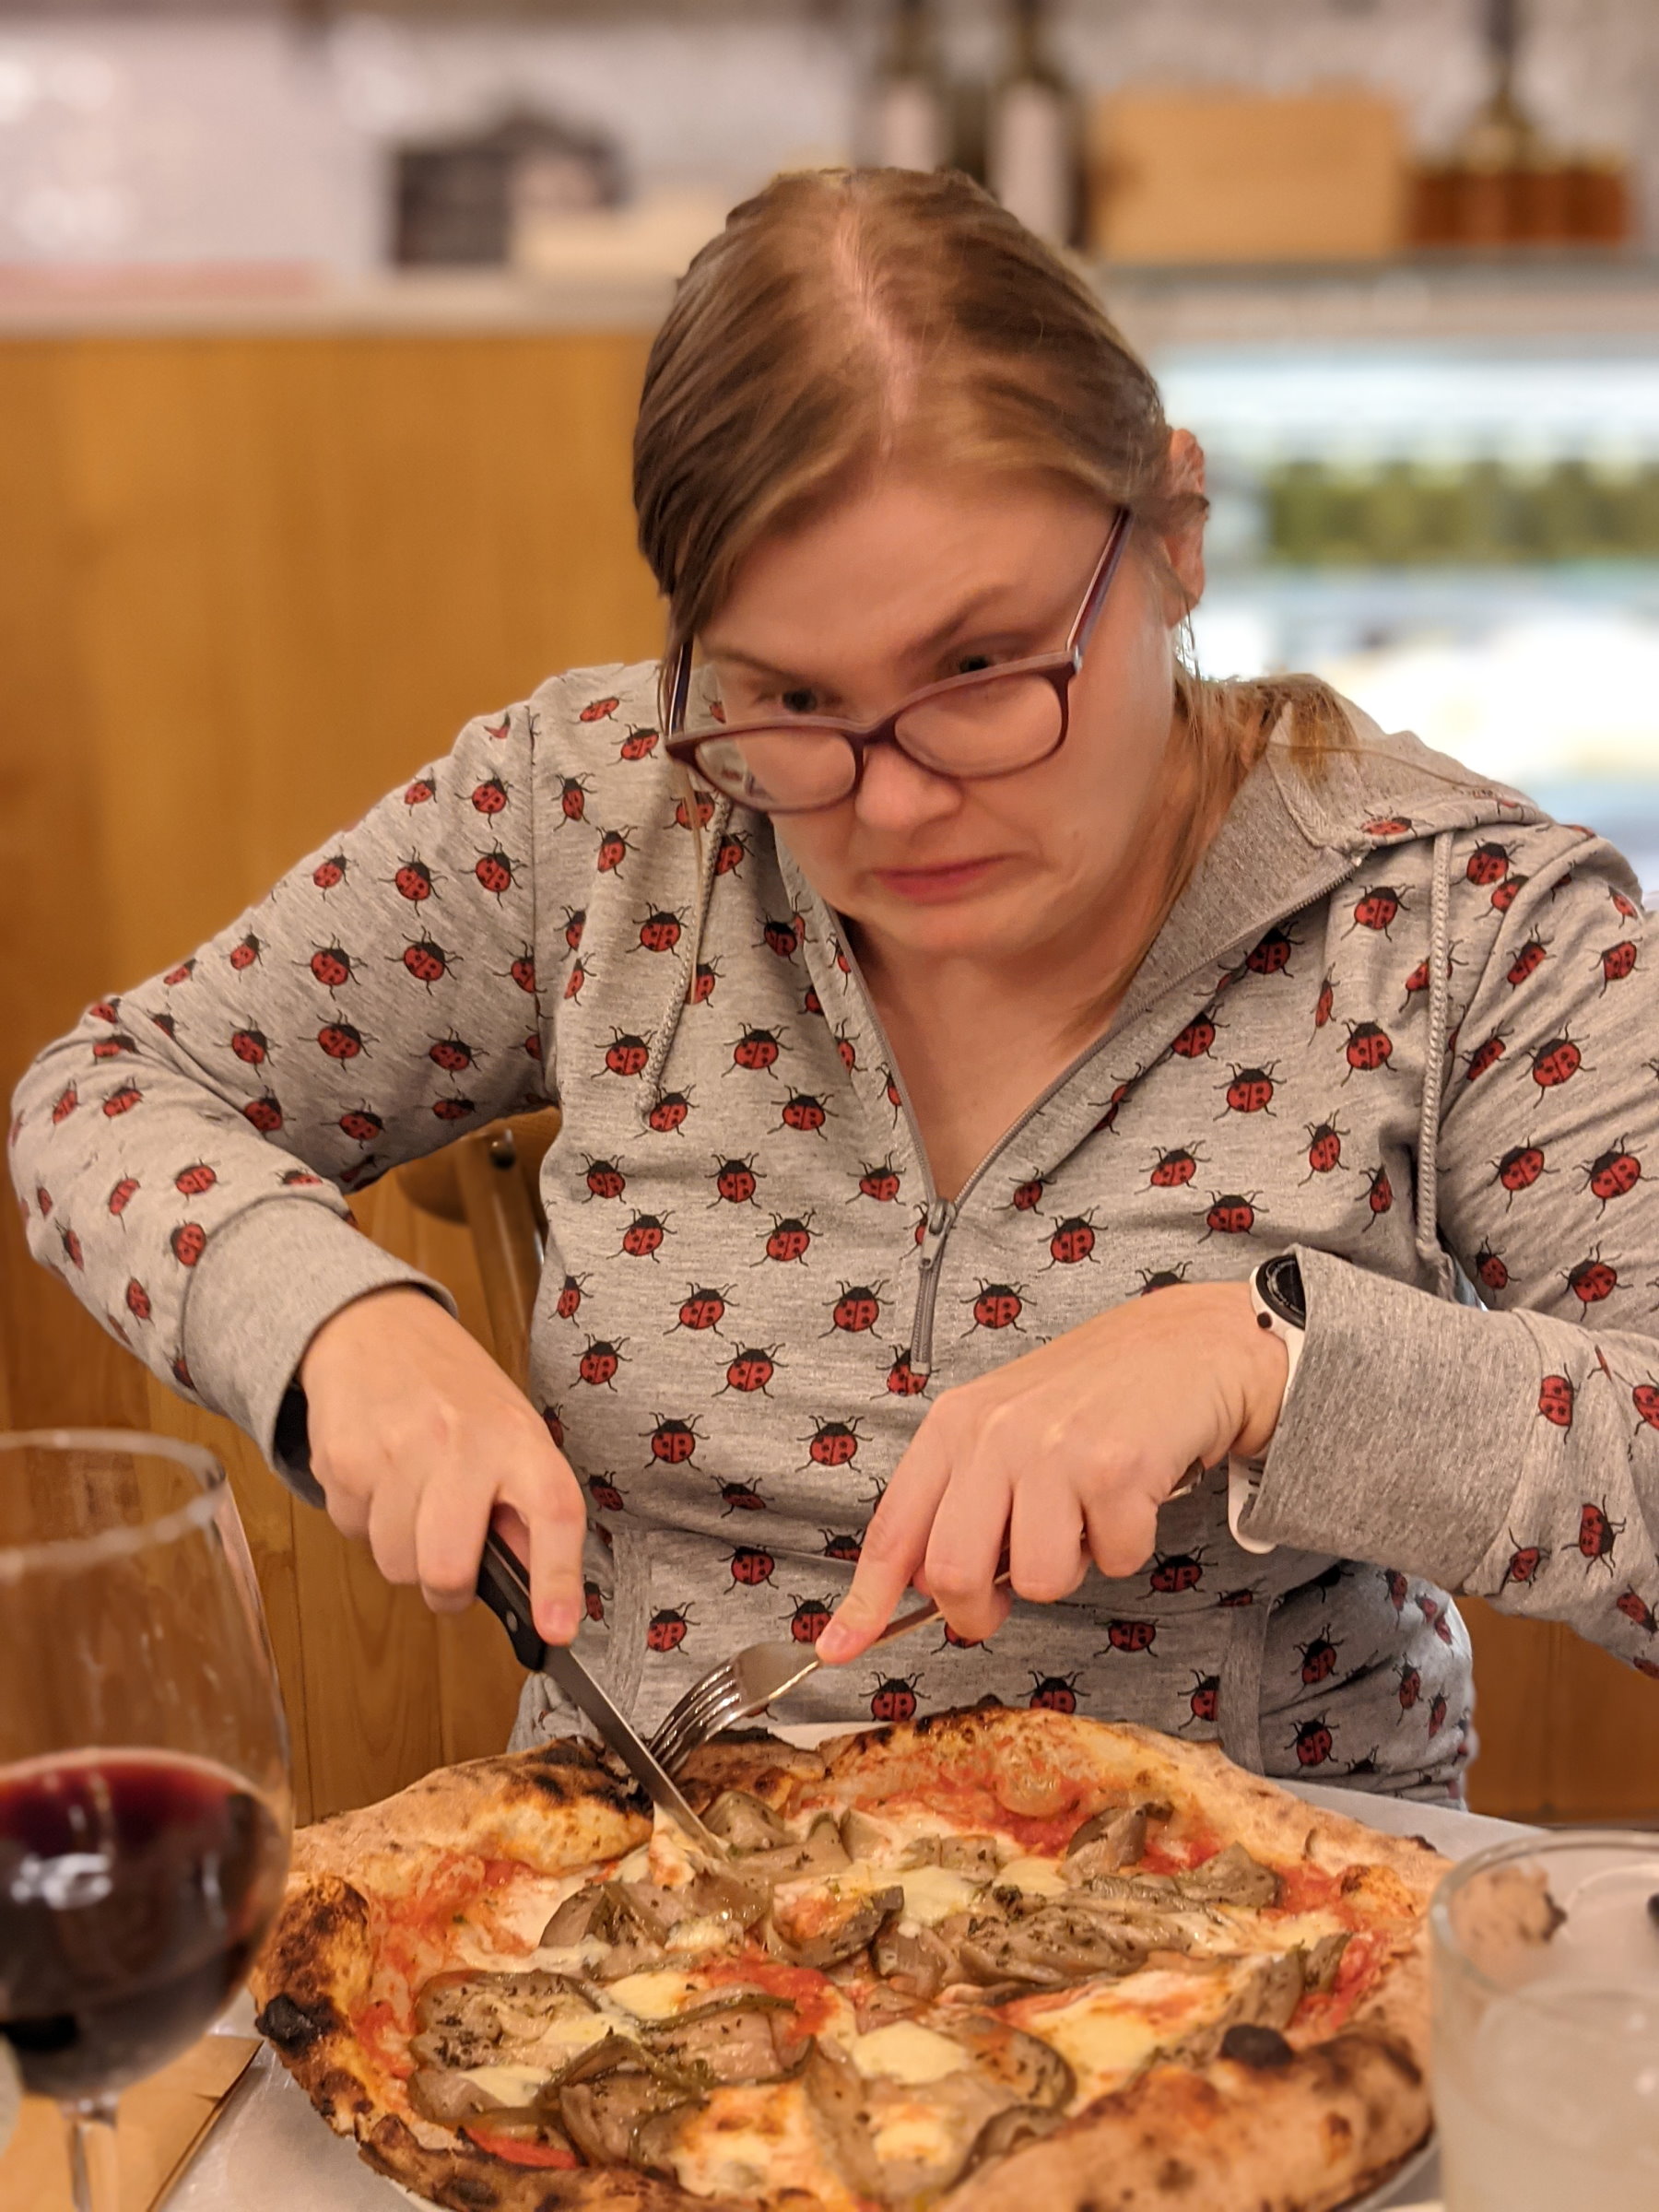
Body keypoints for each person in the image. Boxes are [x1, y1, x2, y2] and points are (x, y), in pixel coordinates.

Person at [11, 170, 1659, 1801]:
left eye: (981, 667)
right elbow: (102, 1095)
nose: (897, 803)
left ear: (1174, 534)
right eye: (790, 699)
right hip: (628, 1921)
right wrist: (335, 1325)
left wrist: (1269, 1364)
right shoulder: (598, 807)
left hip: (1271, 1934)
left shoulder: (1458, 919)